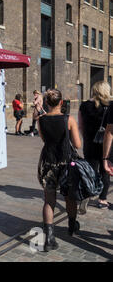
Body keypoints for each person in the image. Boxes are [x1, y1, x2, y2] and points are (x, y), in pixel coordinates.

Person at [37, 89, 82, 252]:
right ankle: (72, 225)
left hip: (48, 163)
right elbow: (77, 145)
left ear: (47, 103)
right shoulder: (68, 119)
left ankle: (49, 238)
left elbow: (44, 140)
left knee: (49, 201)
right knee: (69, 197)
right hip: (66, 164)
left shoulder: (40, 120)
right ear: (61, 102)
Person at [78, 81, 111, 212]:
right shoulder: (110, 106)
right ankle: (102, 199)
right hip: (107, 145)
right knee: (105, 172)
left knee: (90, 171)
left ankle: (86, 194)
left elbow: (80, 126)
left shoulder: (84, 105)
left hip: (90, 143)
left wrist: (86, 137)